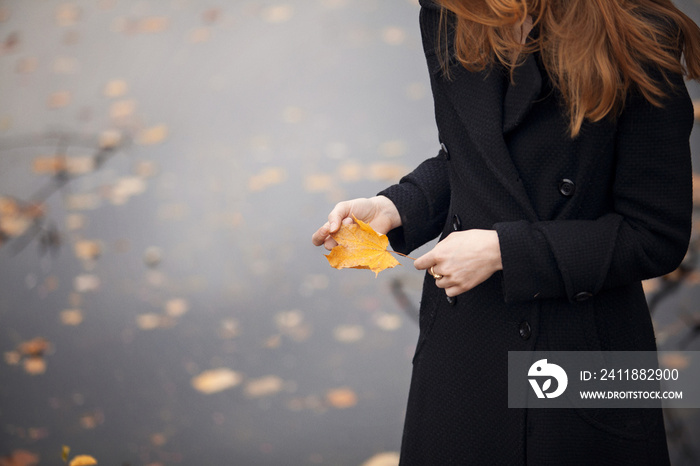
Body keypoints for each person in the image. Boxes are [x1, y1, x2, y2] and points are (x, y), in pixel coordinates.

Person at [312, 0, 700, 464]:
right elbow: (477, 158)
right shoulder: (449, 14)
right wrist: (399, 205)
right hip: (465, 354)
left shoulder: (637, 32)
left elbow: (654, 234)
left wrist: (506, 252)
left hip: (585, 355)